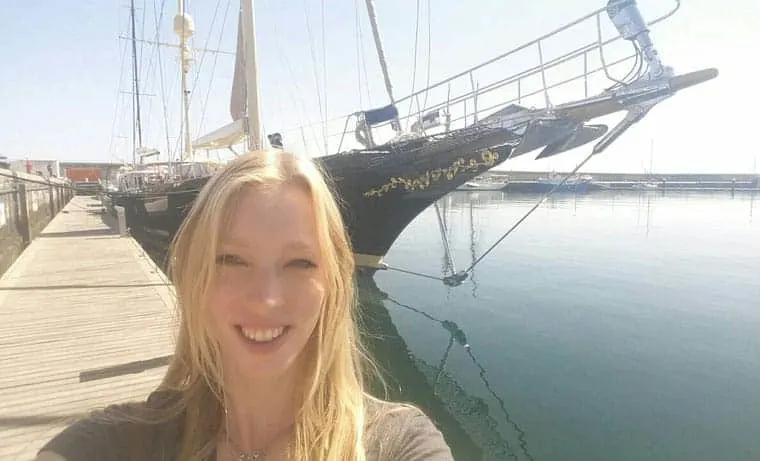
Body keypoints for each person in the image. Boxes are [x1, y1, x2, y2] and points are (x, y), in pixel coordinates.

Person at [35, 150, 454, 461]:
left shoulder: (397, 445)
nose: (266, 298)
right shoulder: (124, 441)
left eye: (300, 263)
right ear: (193, 277)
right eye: (231, 260)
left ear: (334, 283)